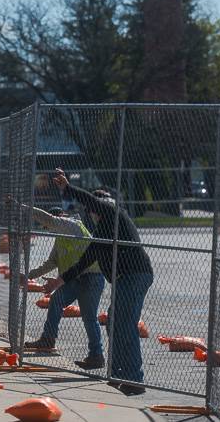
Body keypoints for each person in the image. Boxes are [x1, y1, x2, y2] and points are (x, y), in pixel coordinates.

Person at [44, 168, 153, 396]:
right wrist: (58, 282)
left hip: (134, 276)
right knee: (115, 321)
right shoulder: (101, 235)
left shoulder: (115, 216)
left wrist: (67, 188)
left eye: (95, 207)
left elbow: (91, 200)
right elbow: (82, 263)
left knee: (125, 324)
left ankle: (134, 379)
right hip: (125, 280)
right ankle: (118, 373)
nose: (92, 211)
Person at [11, 197, 106, 370]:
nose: (48, 229)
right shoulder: (60, 236)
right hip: (74, 279)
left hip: (91, 277)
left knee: (89, 317)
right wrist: (29, 276)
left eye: (49, 226)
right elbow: (51, 262)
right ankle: (48, 339)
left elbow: (50, 220)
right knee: (56, 300)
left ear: (59, 218)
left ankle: (97, 355)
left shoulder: (71, 225)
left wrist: (23, 207)